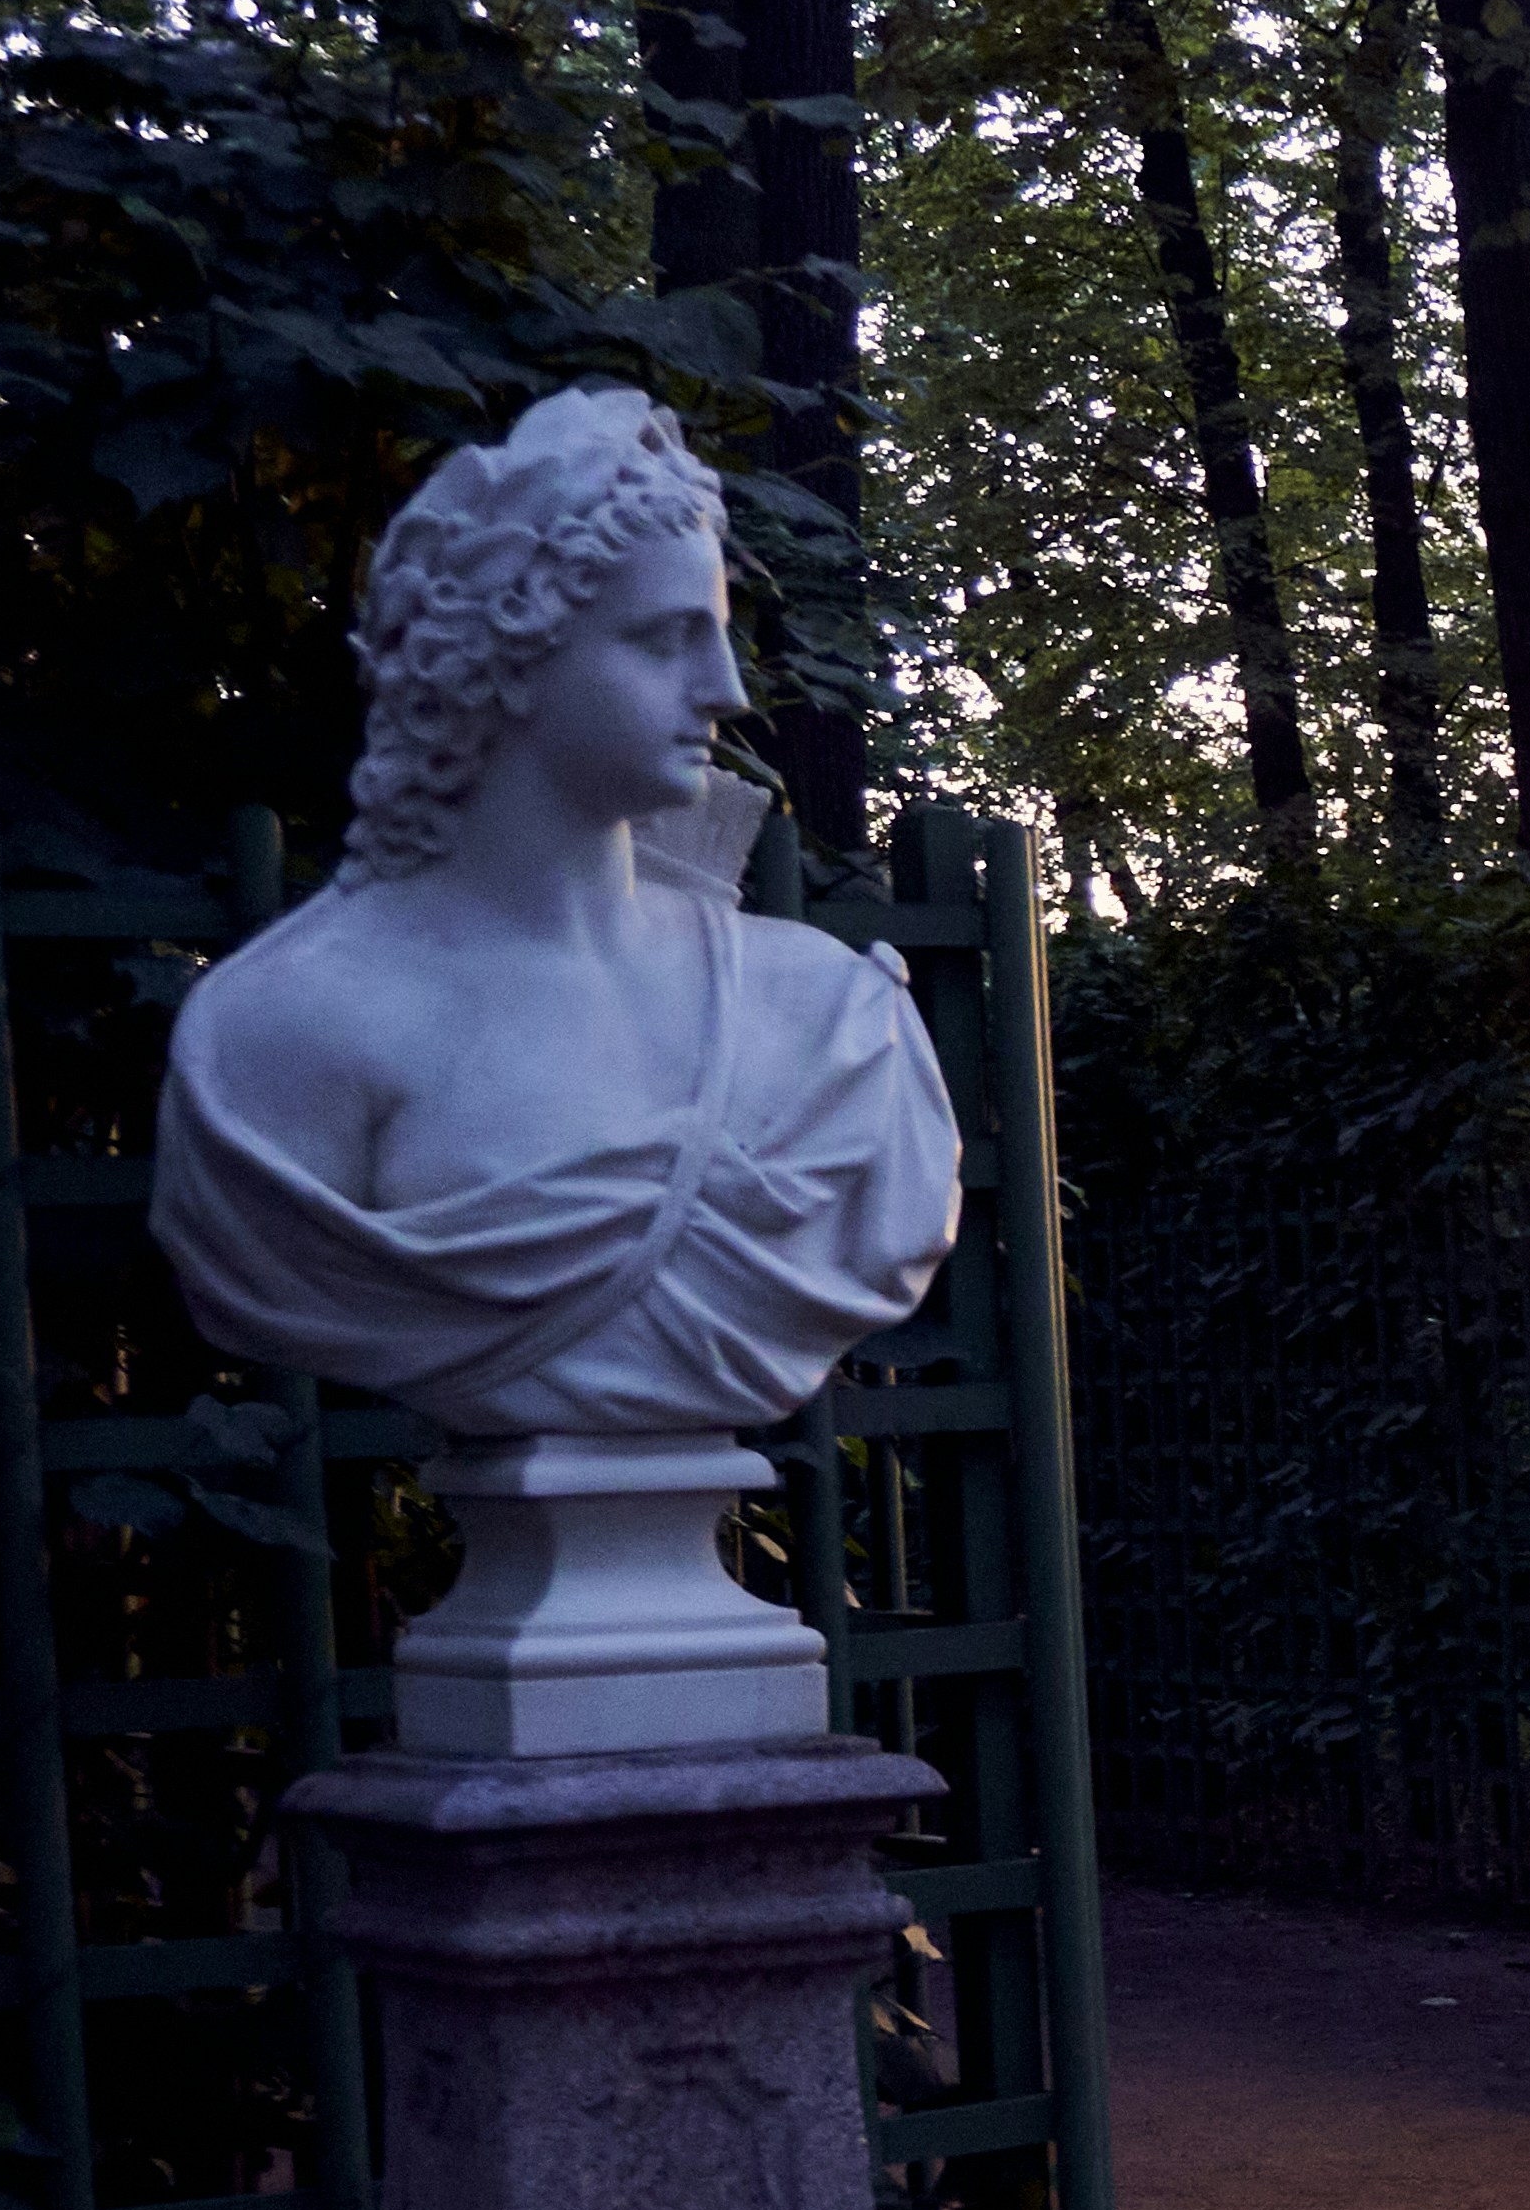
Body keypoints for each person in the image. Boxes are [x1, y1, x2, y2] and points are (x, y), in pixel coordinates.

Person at [153, 389, 959, 1435]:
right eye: (665, 639)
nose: (726, 689)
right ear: (508, 654)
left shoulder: (833, 1020)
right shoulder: (284, 1029)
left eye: (715, 636)